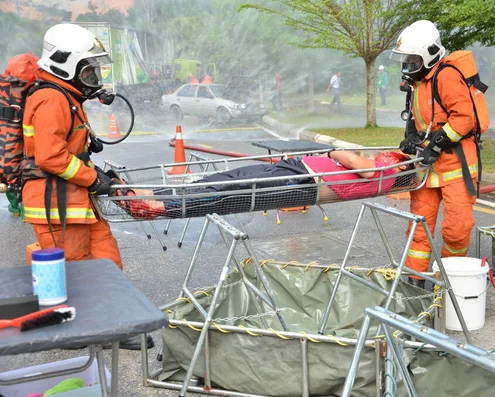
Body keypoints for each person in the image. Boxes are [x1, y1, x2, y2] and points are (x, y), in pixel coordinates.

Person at [23, 23, 152, 350]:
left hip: (77, 201)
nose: (94, 78)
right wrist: (94, 179)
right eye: (89, 71)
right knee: (76, 270)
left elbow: (71, 149)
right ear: (66, 65)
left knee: (106, 261)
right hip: (57, 206)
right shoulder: (50, 98)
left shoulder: (65, 95)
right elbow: (51, 156)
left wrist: (98, 176)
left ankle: (113, 326)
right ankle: (75, 332)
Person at [390, 20, 479, 287]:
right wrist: (411, 140)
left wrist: (437, 143)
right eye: (407, 61)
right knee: (419, 227)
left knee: (456, 230)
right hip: (426, 170)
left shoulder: (447, 76)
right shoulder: (418, 84)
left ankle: (450, 281)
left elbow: (464, 118)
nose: (409, 67)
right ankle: (414, 283)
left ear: (429, 54)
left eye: (414, 61)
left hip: (454, 168)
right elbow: (418, 120)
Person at [114, 151, 413, 220]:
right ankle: (150, 195)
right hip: (296, 171)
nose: (385, 157)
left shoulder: (380, 172)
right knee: (221, 181)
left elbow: (346, 158)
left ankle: (157, 207)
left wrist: (335, 152)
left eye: (397, 160)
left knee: (227, 191)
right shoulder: (380, 170)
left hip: (299, 180)